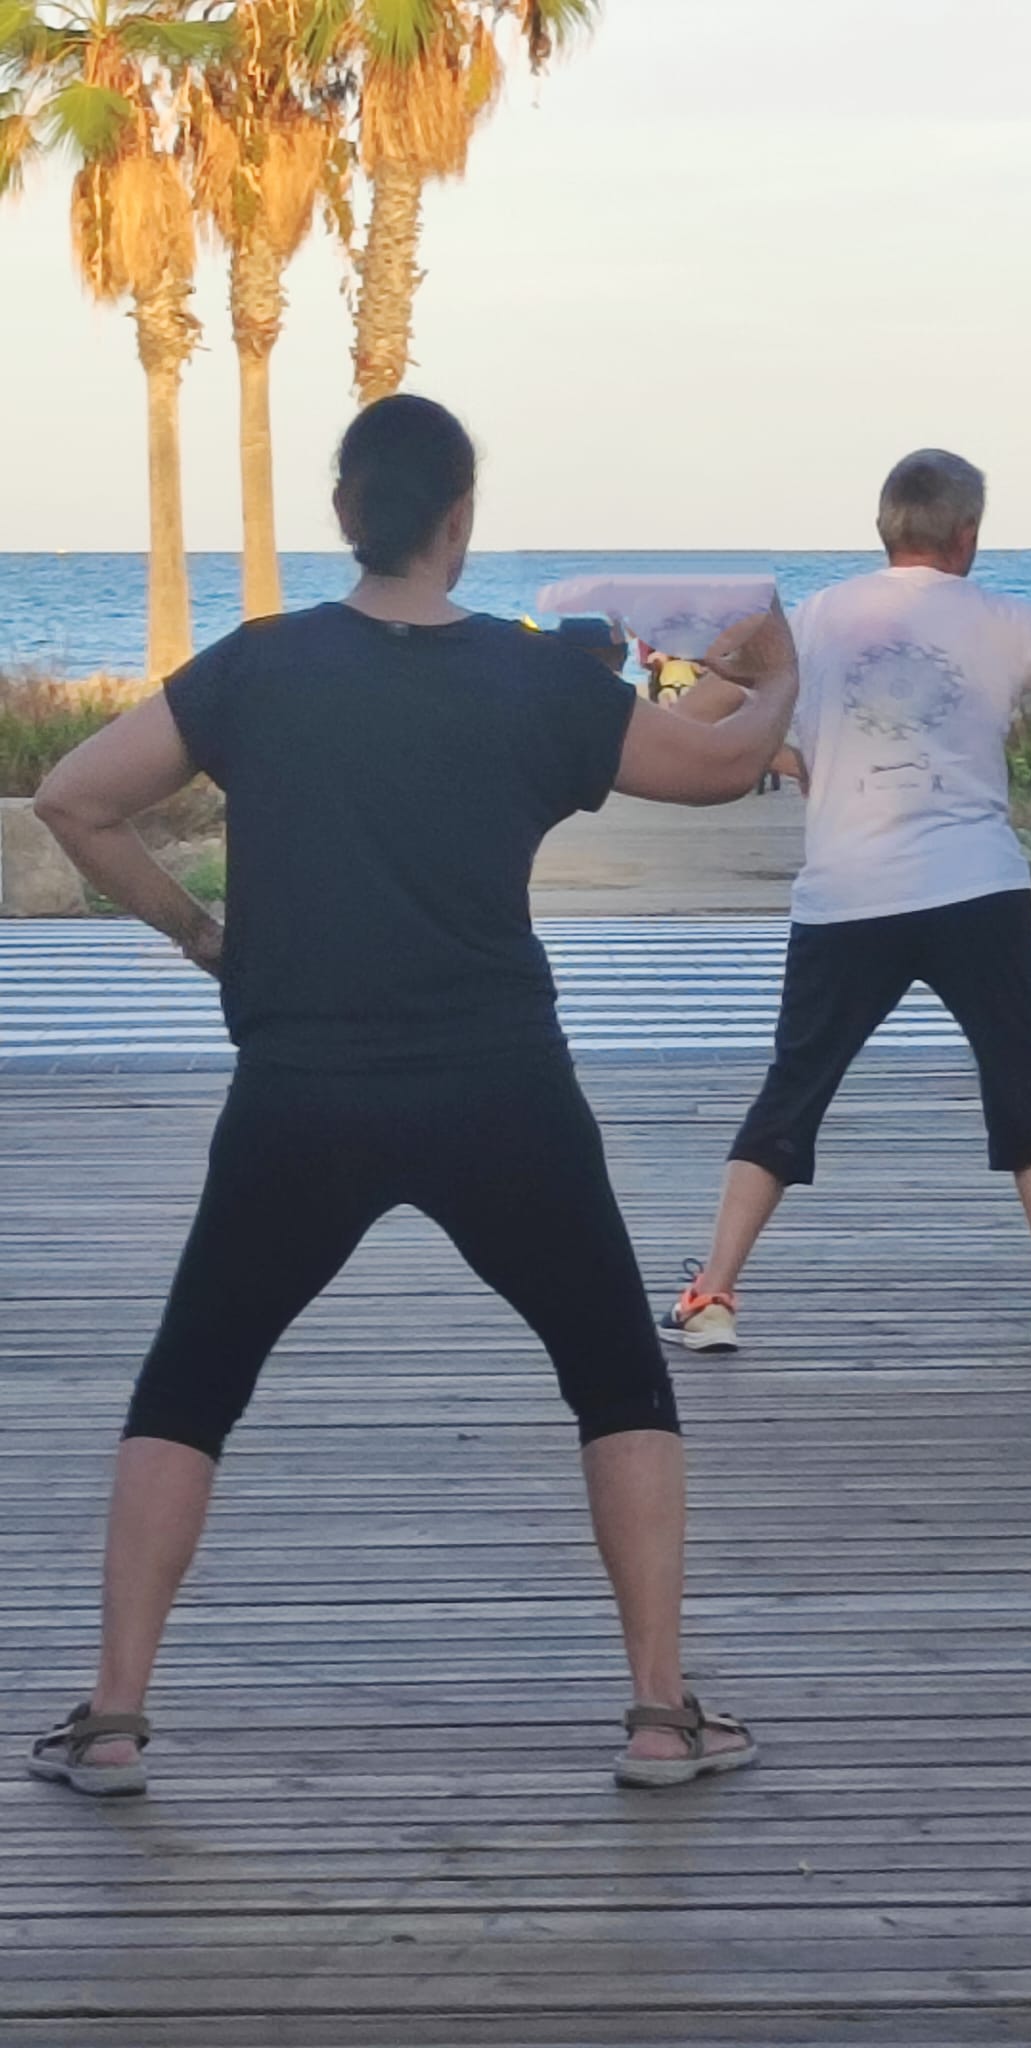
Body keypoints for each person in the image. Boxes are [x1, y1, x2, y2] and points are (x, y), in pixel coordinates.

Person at [25, 395, 797, 1798]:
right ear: (461, 524)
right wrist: (773, 670)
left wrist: (207, 938)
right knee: (616, 1374)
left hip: (299, 1088)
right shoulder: (537, 673)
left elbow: (76, 799)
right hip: (501, 1088)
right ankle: (659, 1720)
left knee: (188, 1382)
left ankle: (115, 1722)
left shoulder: (258, 667)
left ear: (342, 514)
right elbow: (725, 752)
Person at [659, 449, 1031, 1356]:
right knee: (1023, 1080)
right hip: (976, 890)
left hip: (846, 895)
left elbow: (698, 713)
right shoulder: (1000, 618)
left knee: (794, 1089)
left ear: (883, 528)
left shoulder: (814, 620)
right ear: (968, 534)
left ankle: (713, 1295)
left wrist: (769, 749)